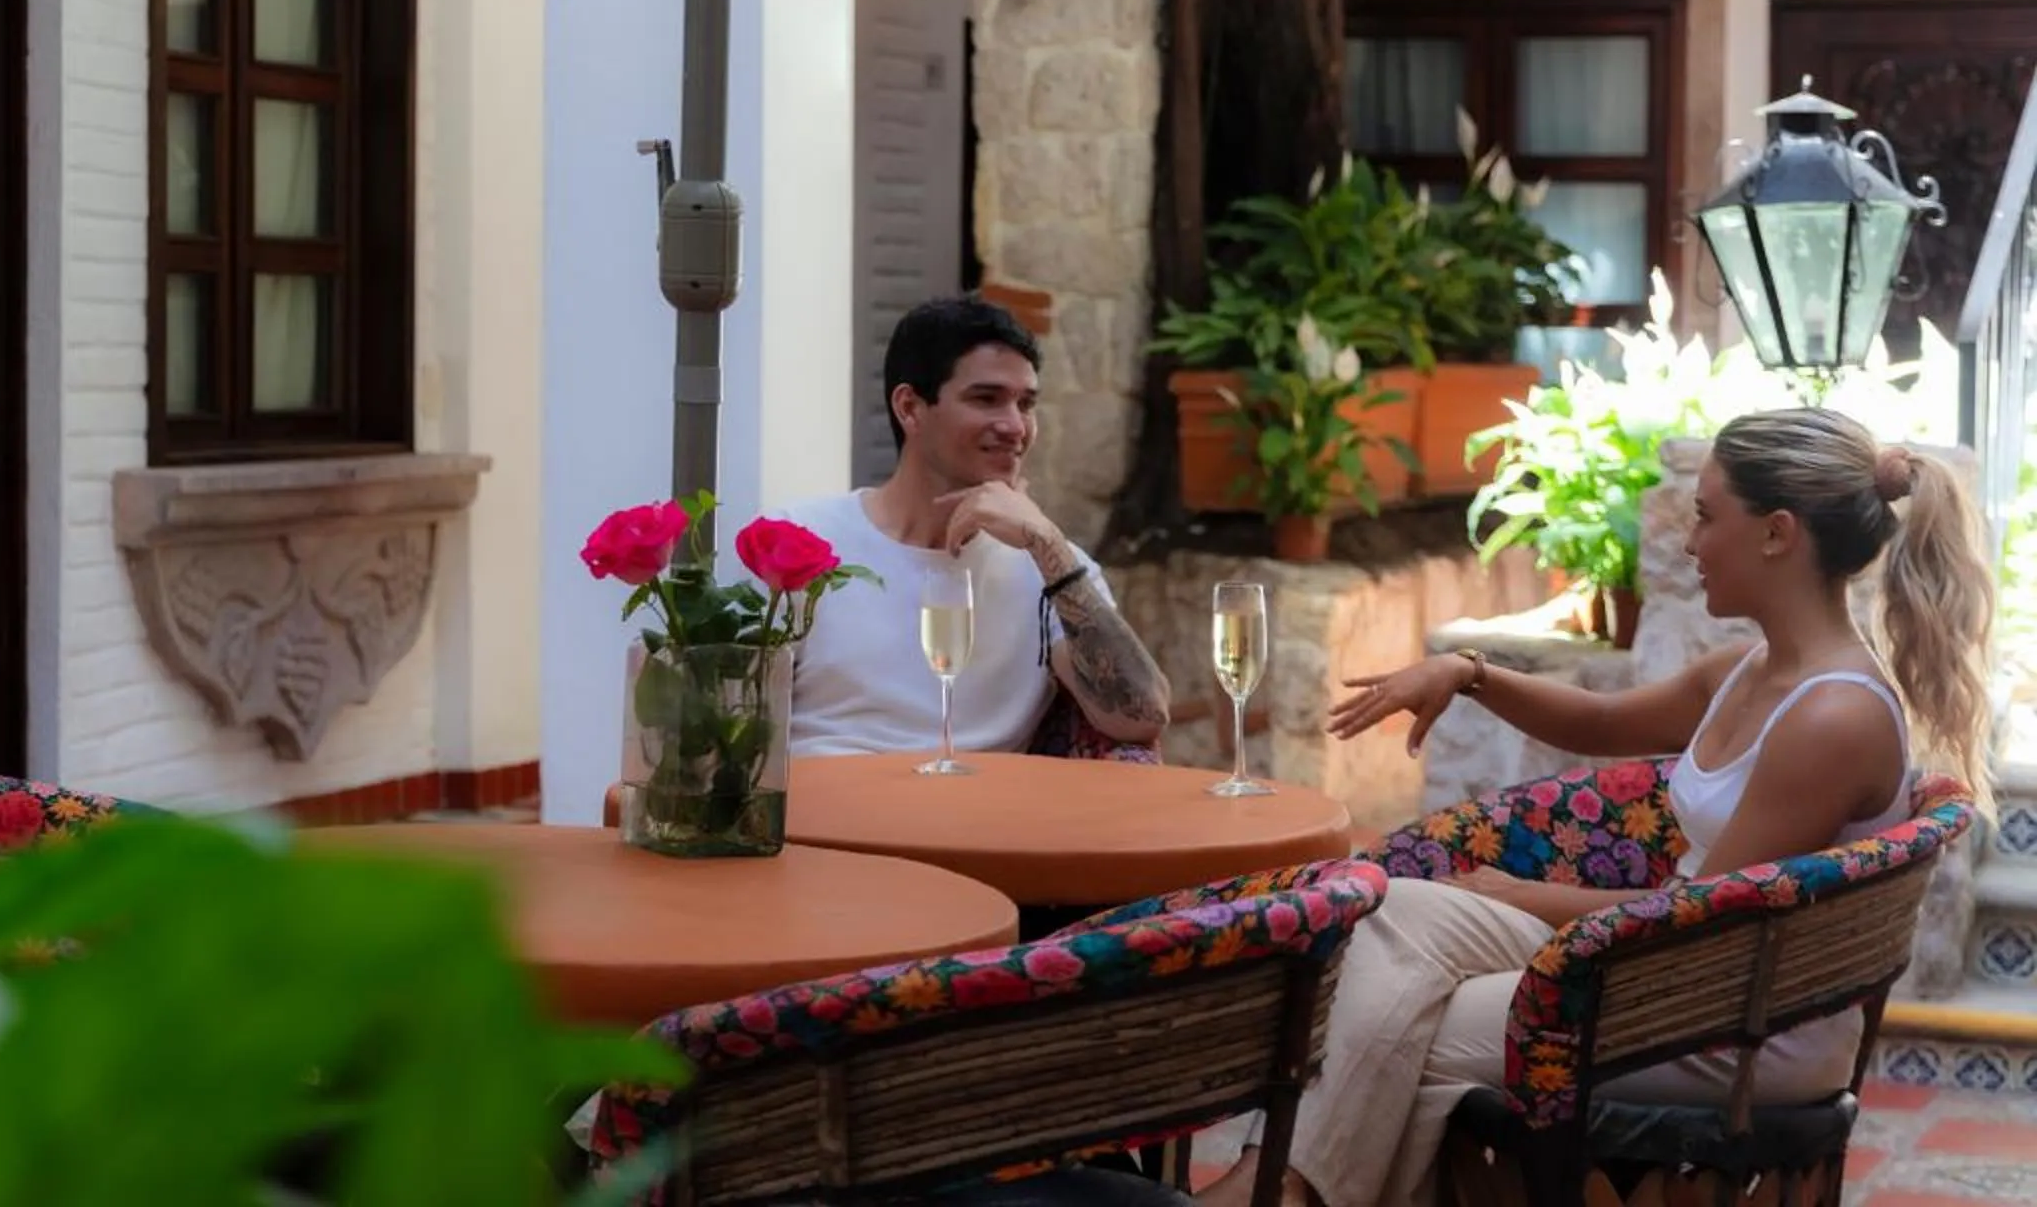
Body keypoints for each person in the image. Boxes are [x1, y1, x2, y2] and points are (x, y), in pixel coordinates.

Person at [1197, 407, 1996, 1207]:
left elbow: (1704, 919)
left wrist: (1523, 897)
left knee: (1409, 1027)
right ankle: (1279, 1189)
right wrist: (1468, 673)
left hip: (1738, 1012)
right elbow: (1601, 721)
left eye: (1706, 517)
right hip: (1656, 958)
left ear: (1777, 534)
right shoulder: (1751, 671)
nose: (1689, 544)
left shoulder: (1833, 719)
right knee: (1389, 913)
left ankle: (1273, 1192)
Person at [774, 294, 1171, 759]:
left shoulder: (1054, 571)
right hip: (820, 822)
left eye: (1026, 404)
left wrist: (1047, 546)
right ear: (910, 408)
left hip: (979, 825)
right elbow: (732, 731)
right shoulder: (798, 542)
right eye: (987, 399)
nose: (1014, 426)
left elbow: (1140, 717)